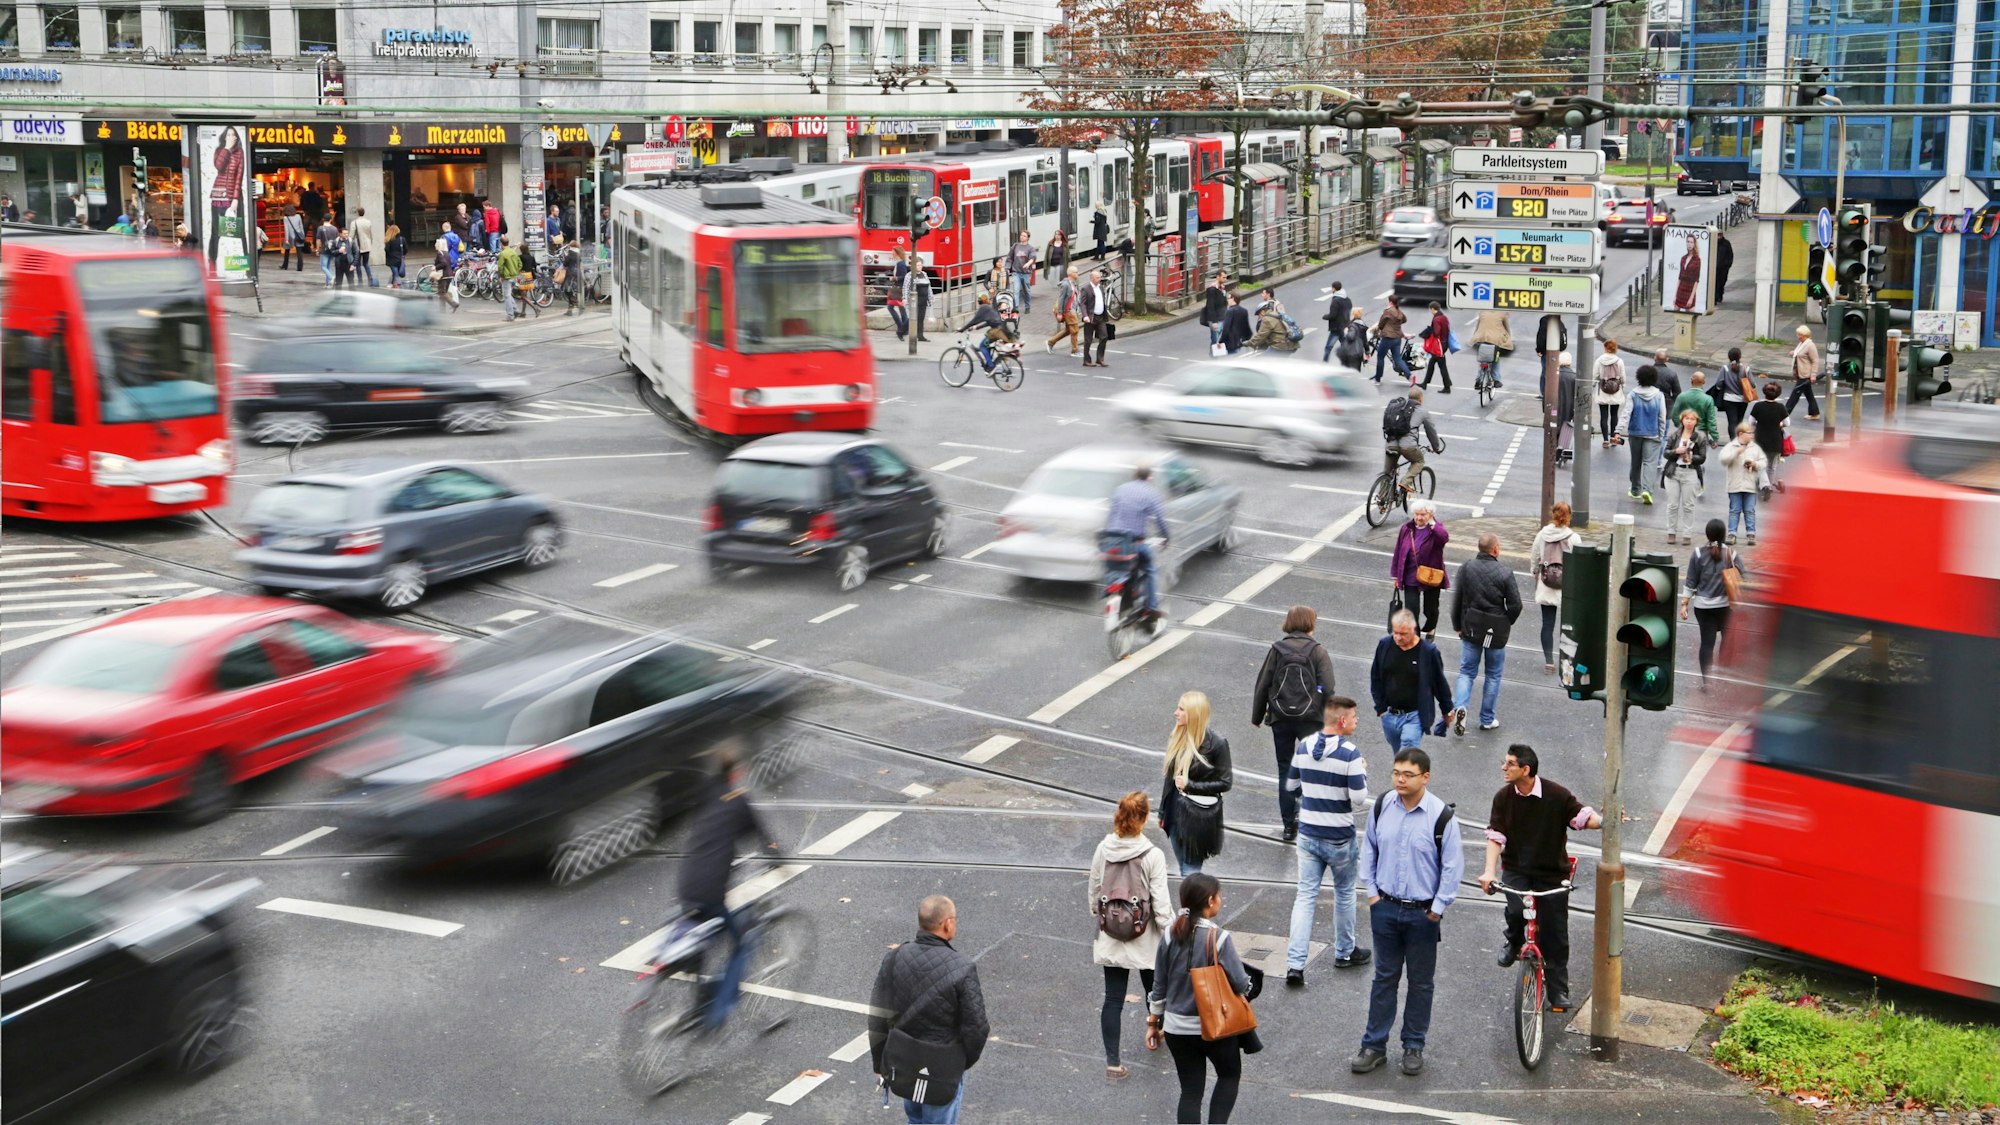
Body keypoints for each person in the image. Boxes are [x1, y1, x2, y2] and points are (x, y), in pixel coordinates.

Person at [1352, 746, 1462, 1078]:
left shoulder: (1441, 816)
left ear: (1425, 777)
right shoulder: (1382, 806)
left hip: (1422, 915)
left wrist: (1437, 908)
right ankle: (1374, 1046)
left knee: (1420, 983)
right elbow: (1369, 849)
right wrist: (1372, 893)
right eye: (1396, 773)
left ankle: (1414, 1046)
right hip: (1384, 907)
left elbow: (1452, 867)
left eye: (1408, 774)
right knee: (1383, 979)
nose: (1400, 779)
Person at [1478, 744, 1601, 1013]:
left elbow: (1581, 817)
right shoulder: (1503, 798)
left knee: (1555, 932)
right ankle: (1514, 941)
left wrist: (1602, 820)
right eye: (1504, 762)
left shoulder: (1556, 795)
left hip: (1552, 873)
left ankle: (1558, 991)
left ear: (1526, 769)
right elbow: (1496, 836)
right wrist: (1489, 871)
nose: (1503, 767)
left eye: (1510, 764)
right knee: (1515, 911)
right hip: (1517, 869)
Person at [869, 895, 989, 1124]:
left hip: (905, 1060)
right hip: (942, 1068)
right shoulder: (962, 968)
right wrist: (960, 1064)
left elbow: (877, 1015)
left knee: (915, 1119)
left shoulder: (894, 958)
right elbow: (977, 1028)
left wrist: (879, 1062)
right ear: (947, 923)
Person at [1146, 873, 1251, 1124]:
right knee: (1228, 1076)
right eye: (1219, 896)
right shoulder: (1218, 937)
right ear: (1210, 901)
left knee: (1190, 1092)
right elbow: (1240, 984)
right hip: (1214, 1028)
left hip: (1176, 1029)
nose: (1220, 901)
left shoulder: (1170, 935)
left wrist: (1153, 1022)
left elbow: (1159, 984)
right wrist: (1249, 984)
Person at [677, 751, 770, 1031]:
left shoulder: (707, 791)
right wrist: (778, 858)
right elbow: (761, 837)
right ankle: (717, 1014)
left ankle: (698, 1004)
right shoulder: (739, 800)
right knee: (742, 943)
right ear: (737, 772)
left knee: (704, 940)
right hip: (710, 893)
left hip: (686, 887)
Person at [1284, 695, 1370, 986]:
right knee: (1344, 893)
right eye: (1354, 717)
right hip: (1339, 838)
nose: (1357, 721)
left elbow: (1291, 785)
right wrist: (1362, 772)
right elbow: (1359, 798)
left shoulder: (1304, 745)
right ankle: (1344, 952)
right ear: (1342, 720)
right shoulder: (1350, 754)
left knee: (1305, 897)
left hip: (1308, 834)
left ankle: (1295, 965)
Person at [1090, 791, 1173, 1081]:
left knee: (1113, 999)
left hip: (1112, 933)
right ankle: (1157, 1032)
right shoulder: (1152, 855)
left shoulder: (1103, 849)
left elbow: (1094, 891)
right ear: (1145, 818)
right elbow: (1161, 904)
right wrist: (1171, 931)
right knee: (1154, 990)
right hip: (1145, 935)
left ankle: (1113, 1063)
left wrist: (1104, 918)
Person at [1251, 605, 1339, 842]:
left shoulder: (1277, 650)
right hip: (1310, 719)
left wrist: (1257, 717)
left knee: (1285, 769)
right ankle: (1311, 821)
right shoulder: (1318, 651)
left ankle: (1289, 826)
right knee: (1313, 769)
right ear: (1311, 623)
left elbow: (1263, 684)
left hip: (1281, 718)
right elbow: (1328, 688)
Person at [1449, 533, 1523, 735]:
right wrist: (1505, 621)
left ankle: (1461, 707)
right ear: (1495, 549)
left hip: (1471, 626)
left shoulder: (1466, 568)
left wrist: (1458, 625)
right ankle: (1487, 719)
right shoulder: (1505, 573)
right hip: (1496, 630)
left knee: (1466, 672)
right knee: (1493, 675)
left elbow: (1457, 600)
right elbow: (1516, 605)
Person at [1158, 691, 1231, 876]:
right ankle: (1190, 894)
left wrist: (1190, 785)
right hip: (1175, 812)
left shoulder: (1217, 744)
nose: (1176, 713)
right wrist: (1162, 811)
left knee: (1190, 868)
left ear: (1194, 714)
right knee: (1183, 864)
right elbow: (1169, 778)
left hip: (1197, 816)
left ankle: (1191, 895)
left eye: (1181, 709)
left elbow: (1225, 782)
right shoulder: (1178, 735)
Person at [1369, 610, 1454, 750]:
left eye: (1403, 634)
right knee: (1399, 756)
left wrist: (1447, 709)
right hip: (1389, 715)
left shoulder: (1428, 652)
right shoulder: (1385, 645)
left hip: (1415, 716)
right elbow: (1375, 676)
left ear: (1414, 630)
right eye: (1395, 632)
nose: (1398, 638)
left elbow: (1439, 683)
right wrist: (1381, 709)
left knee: (1407, 752)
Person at [1102, 464, 1169, 618]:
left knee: (1116, 566)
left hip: (1114, 540)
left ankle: (1117, 589)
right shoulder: (1150, 492)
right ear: (1149, 478)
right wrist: (1165, 537)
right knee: (1150, 569)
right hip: (1135, 543)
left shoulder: (1120, 489)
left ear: (1134, 475)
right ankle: (1150, 608)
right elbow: (1159, 519)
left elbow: (1111, 514)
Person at [1683, 519, 1745, 684]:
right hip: (1726, 608)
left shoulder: (1697, 553)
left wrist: (1684, 604)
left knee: (1707, 644)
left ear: (1707, 534)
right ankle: (1722, 677)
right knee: (1728, 642)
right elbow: (1742, 575)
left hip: (1703, 608)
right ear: (1724, 535)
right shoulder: (1731, 554)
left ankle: (1707, 682)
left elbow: (1690, 582)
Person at [1531, 502, 1582, 673]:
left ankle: (1549, 662)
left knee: (1547, 624)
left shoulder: (1542, 534)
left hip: (1546, 583)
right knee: (1568, 626)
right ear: (1569, 517)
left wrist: (1535, 572)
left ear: (1553, 514)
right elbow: (1579, 562)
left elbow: (1534, 556)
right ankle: (1567, 660)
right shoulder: (1573, 538)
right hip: (1567, 586)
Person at [1389, 498, 1449, 638]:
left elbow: (1444, 539)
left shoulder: (1435, 529)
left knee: (1430, 609)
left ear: (1430, 515)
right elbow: (1398, 551)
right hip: (1410, 576)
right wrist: (1396, 575)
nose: (1419, 518)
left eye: (1422, 514)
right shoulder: (1406, 528)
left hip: (1430, 576)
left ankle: (1431, 627)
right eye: (1416, 514)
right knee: (1411, 610)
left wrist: (1433, 525)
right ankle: (1415, 638)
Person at [1619, 366, 1668, 505]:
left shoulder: (1633, 394)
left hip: (1635, 432)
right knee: (1650, 463)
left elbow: (1626, 413)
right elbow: (1662, 417)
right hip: (1653, 433)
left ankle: (1635, 489)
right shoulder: (1659, 395)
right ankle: (1647, 490)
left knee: (1636, 461)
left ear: (1638, 377)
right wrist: (1661, 434)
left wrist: (1618, 430)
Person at [1381, 386, 1440, 499]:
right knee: (1419, 461)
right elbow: (1431, 431)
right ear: (1420, 399)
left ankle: (1382, 500)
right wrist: (1436, 447)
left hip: (1390, 444)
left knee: (1387, 472)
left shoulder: (1397, 407)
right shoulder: (1422, 411)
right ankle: (1405, 482)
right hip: (1408, 446)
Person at [1662, 409, 1710, 546]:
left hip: (1690, 472)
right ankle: (1671, 532)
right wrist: (1676, 451)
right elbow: (1665, 452)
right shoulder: (1675, 434)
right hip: (1673, 471)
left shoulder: (1700, 437)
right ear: (1682, 420)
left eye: (1692, 419)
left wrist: (1691, 457)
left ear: (1696, 422)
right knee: (1672, 504)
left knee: (1688, 505)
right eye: (1687, 419)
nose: (1689, 421)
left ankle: (1687, 534)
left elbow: (1702, 457)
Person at [206, 126, 246, 273]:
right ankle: (212, 263)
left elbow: (239, 177)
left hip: (233, 197)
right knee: (216, 231)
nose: (230, 137)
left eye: (233, 135)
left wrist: (235, 199)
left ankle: (239, 266)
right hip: (218, 195)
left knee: (236, 231)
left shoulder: (240, 152)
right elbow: (219, 166)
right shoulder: (220, 150)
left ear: (236, 138)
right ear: (224, 137)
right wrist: (227, 149)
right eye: (228, 135)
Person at [1719, 423, 1762, 545]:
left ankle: (1751, 534)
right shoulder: (1731, 446)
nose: (1752, 435)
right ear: (1741, 434)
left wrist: (1755, 464)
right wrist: (1736, 452)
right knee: (1734, 510)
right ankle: (1732, 533)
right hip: (1735, 485)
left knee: (1750, 510)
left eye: (1752, 433)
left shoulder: (1755, 448)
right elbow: (1724, 460)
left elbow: (1763, 463)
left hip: (1750, 485)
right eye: (1750, 433)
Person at [1749, 381, 1789, 496]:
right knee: (1772, 466)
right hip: (1775, 440)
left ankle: (1764, 485)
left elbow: (1751, 422)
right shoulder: (1780, 407)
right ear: (1778, 394)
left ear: (1764, 392)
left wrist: (1758, 424)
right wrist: (1780, 424)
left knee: (1761, 464)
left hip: (1760, 439)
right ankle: (1769, 485)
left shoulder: (1758, 406)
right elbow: (1787, 422)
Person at [960, 291, 1010, 372]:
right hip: (1001, 330)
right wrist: (976, 327)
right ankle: (989, 363)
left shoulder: (983, 308)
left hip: (997, 331)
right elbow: (989, 322)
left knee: (982, 346)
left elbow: (973, 321)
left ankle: (991, 366)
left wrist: (962, 329)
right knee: (986, 345)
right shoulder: (988, 307)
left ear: (979, 301)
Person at [1673, 370, 1721, 448]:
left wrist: (1680, 425)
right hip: (1701, 432)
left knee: (1683, 454)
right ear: (1704, 382)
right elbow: (1711, 420)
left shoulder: (1681, 396)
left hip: (1685, 431)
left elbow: (1674, 414)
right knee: (1700, 454)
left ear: (1691, 380)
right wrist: (1715, 437)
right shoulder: (1708, 399)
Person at [1595, 338, 1628, 448]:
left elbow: (1595, 375)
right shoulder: (1619, 361)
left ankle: (1605, 439)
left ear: (1605, 348)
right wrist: (1622, 385)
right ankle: (1613, 438)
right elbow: (1623, 377)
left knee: (1603, 416)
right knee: (1614, 415)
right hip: (1616, 390)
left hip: (1603, 390)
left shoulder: (1599, 360)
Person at [1469, 309, 1512, 389]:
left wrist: (1474, 338)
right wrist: (1509, 338)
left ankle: (1478, 380)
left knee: (1482, 359)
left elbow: (1477, 327)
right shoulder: (1503, 313)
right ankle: (1496, 380)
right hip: (1495, 340)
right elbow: (1507, 329)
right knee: (1496, 358)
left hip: (1480, 339)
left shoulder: (1482, 312)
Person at [1416, 302, 1454, 392]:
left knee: (1440, 366)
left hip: (1439, 346)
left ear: (1433, 309)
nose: (1430, 311)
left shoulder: (1436, 319)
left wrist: (1429, 331)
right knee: (1434, 364)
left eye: (1430, 309)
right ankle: (1426, 383)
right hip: (1444, 343)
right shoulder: (1444, 317)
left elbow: (1436, 332)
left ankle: (1446, 387)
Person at [1787, 324, 1822, 421]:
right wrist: (1793, 353)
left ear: (1804, 335)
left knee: (1795, 395)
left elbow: (1815, 360)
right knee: (1809, 395)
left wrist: (1813, 375)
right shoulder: (1801, 344)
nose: (1797, 336)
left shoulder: (1810, 345)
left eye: (1799, 335)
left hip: (1805, 374)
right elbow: (1799, 353)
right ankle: (1814, 413)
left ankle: (1785, 414)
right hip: (1800, 373)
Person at [1717, 347, 1754, 435]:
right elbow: (1753, 384)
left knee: (1732, 422)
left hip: (1729, 399)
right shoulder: (1746, 369)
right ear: (1740, 356)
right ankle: (1740, 438)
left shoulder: (1725, 368)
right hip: (1743, 399)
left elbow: (1719, 383)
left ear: (1729, 357)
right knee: (1739, 421)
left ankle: (1733, 440)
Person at [1374, 297, 1412, 383]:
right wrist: (1395, 323)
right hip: (1397, 338)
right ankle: (1409, 375)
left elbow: (1381, 324)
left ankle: (1377, 379)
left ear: (1390, 302)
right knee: (1397, 358)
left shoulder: (1388, 311)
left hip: (1388, 338)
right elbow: (1404, 319)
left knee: (1380, 357)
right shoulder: (1399, 311)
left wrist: (1383, 327)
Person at [1080, 268, 1113, 367]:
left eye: (1099, 277)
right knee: (1088, 340)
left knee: (1104, 336)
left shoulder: (1101, 287)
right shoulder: (1086, 288)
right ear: (1092, 278)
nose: (1099, 279)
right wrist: (1085, 316)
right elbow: (1083, 304)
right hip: (1091, 318)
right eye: (1097, 277)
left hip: (1101, 317)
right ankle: (1086, 360)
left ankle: (1100, 358)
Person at [1047, 265, 1082, 356]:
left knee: (1068, 330)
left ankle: (1051, 342)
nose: (1077, 274)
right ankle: (1075, 351)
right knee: (1075, 330)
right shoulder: (1066, 284)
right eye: (1076, 272)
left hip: (1072, 310)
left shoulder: (1073, 284)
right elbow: (1061, 299)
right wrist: (1060, 313)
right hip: (1069, 311)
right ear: (1070, 273)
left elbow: (1075, 298)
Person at [1555, 351, 1578, 460]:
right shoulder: (1574, 377)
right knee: (1566, 428)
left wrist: (1545, 408)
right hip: (1569, 408)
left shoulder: (1554, 375)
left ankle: (1554, 448)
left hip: (1554, 407)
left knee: (1553, 428)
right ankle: (1562, 447)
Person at [1007, 230, 1037, 315]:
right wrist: (1007, 268)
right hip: (1016, 272)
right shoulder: (1015, 246)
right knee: (1016, 290)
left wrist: (1028, 264)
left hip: (1026, 273)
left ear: (1028, 238)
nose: (1022, 237)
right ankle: (1015, 308)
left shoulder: (1030, 248)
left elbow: (1033, 258)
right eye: (1021, 235)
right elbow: (1009, 257)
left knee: (1027, 291)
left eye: (1024, 236)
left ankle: (1027, 306)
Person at [1321, 281, 1353, 362]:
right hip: (1345, 326)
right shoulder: (1347, 299)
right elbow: (1349, 310)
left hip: (1336, 328)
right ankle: (1348, 362)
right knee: (1345, 346)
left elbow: (1332, 315)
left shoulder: (1335, 301)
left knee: (1328, 347)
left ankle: (1324, 363)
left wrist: (1325, 316)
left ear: (1334, 289)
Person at [905, 257, 932, 342]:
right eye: (918, 265)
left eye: (920, 265)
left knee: (921, 318)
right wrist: (905, 298)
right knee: (913, 317)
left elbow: (929, 288)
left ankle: (920, 336)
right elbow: (906, 288)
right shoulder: (909, 275)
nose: (920, 267)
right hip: (915, 300)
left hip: (924, 300)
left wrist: (931, 298)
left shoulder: (924, 274)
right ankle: (901, 331)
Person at [887, 248, 911, 340]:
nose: (891, 253)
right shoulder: (900, 262)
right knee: (902, 309)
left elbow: (904, 276)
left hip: (899, 289)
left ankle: (901, 327)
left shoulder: (900, 264)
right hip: (899, 288)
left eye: (893, 252)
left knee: (891, 307)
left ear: (897, 253)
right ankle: (904, 329)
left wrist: (895, 278)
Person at [497, 237, 524, 320]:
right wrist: (516, 271)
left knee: (506, 296)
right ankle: (515, 310)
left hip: (507, 277)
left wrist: (502, 276)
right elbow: (520, 264)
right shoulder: (513, 252)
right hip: (514, 276)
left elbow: (500, 267)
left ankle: (510, 314)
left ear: (501, 244)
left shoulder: (503, 254)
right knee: (508, 294)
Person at [1201, 271, 1231, 347]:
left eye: (1226, 277)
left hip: (1222, 317)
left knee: (1220, 341)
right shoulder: (1212, 289)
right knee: (1215, 342)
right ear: (1218, 277)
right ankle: (1214, 354)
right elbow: (1210, 306)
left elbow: (1223, 303)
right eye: (1223, 277)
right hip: (1216, 319)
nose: (1225, 279)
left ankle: (1216, 353)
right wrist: (1214, 321)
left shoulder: (1222, 288)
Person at [350, 207, 378, 287]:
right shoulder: (368, 222)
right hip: (367, 245)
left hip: (358, 246)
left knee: (358, 264)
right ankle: (370, 279)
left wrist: (350, 245)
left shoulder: (354, 222)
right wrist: (370, 243)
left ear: (357, 213)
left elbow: (351, 236)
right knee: (366, 263)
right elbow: (371, 234)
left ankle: (360, 282)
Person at [559, 238, 583, 315]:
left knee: (566, 290)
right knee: (572, 290)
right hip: (577, 273)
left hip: (571, 274)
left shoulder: (570, 254)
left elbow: (565, 264)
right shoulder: (578, 254)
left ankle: (575, 303)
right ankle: (571, 309)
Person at [315, 215, 341, 286]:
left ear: (323, 219)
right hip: (332, 250)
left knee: (323, 266)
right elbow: (337, 240)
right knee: (328, 266)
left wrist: (317, 249)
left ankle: (331, 277)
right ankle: (328, 284)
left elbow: (318, 240)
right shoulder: (335, 228)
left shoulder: (320, 228)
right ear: (330, 219)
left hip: (324, 249)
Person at [281, 205, 306, 271]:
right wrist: (303, 235)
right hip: (299, 235)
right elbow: (301, 226)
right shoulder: (298, 216)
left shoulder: (286, 218)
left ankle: (285, 265)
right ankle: (300, 267)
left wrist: (286, 239)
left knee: (287, 250)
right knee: (299, 252)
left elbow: (286, 229)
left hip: (290, 236)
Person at [383, 220, 407, 288]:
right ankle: (395, 285)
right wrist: (402, 254)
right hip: (399, 259)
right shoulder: (402, 239)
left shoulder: (389, 240)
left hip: (392, 260)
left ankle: (394, 285)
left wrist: (390, 254)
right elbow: (406, 249)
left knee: (395, 273)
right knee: (396, 273)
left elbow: (386, 249)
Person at [1714, 231, 1735, 299]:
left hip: (1723, 268)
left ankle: (1720, 294)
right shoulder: (1713, 243)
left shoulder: (1726, 243)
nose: (1718, 236)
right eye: (1718, 235)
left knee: (1722, 281)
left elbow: (1730, 255)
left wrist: (1727, 265)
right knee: (1715, 283)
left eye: (1720, 235)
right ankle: (1716, 297)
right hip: (1714, 267)